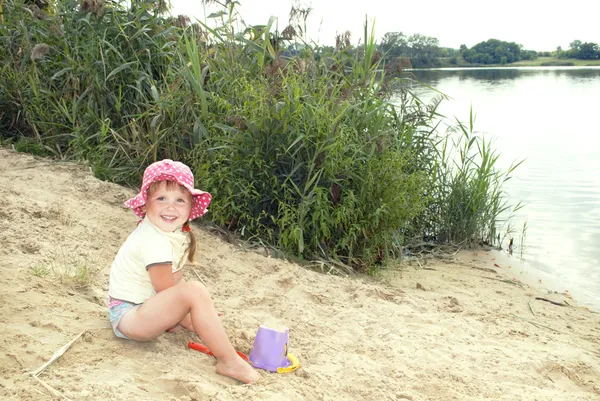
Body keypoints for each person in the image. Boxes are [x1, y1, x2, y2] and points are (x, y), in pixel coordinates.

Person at [107, 159, 261, 384]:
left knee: (194, 298)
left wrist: (191, 314)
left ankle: (184, 322)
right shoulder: (154, 241)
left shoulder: (172, 235)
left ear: (190, 208)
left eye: (180, 200)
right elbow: (166, 290)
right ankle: (228, 361)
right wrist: (189, 317)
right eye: (161, 199)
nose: (171, 207)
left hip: (140, 311)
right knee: (195, 292)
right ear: (144, 205)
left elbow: (172, 283)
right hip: (128, 317)